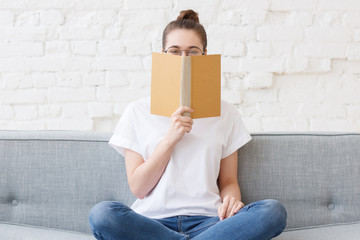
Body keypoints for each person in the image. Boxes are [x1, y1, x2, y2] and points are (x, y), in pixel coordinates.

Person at [89, 9, 287, 240]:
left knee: (272, 211)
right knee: (102, 214)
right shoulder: (137, 112)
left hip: (210, 223)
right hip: (151, 224)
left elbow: (229, 181)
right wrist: (170, 138)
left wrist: (232, 200)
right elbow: (139, 188)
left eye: (193, 52)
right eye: (174, 52)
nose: (184, 59)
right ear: (163, 55)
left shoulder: (227, 113)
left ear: (204, 56)